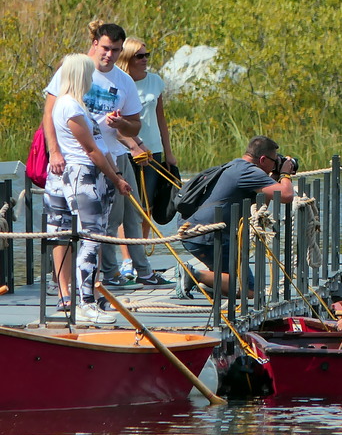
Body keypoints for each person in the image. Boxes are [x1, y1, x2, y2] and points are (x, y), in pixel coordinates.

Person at [48, 21, 173, 290]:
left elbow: (134, 124)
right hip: (77, 159)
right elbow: (49, 113)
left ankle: (132, 271)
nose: (109, 55)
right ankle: (87, 281)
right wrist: (54, 151)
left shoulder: (124, 80)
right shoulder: (75, 70)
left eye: (116, 50)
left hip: (114, 155)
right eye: (105, 48)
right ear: (94, 44)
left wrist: (122, 126)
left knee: (127, 215)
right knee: (79, 224)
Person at [50, 54, 131, 323]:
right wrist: (116, 179)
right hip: (83, 174)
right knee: (91, 237)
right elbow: (91, 149)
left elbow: (103, 146)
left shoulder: (79, 105)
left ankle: (89, 298)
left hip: (98, 174)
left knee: (96, 236)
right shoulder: (68, 106)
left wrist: (115, 175)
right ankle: (84, 302)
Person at [176, 135, 296, 299]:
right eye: (274, 161)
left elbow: (259, 208)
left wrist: (274, 176)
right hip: (209, 237)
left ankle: (214, 283)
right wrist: (285, 174)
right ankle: (193, 275)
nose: (276, 164)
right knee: (250, 290)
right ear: (262, 159)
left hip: (194, 232)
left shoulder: (236, 166)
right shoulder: (248, 171)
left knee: (236, 280)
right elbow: (287, 195)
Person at [115, 37, 177, 240]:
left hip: (153, 150)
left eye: (146, 55)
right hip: (124, 150)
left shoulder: (155, 81)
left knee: (146, 206)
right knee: (128, 208)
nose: (145, 59)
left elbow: (161, 118)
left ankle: (140, 251)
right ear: (127, 59)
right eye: (139, 56)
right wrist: (133, 146)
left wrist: (168, 153)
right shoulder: (119, 83)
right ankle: (126, 260)